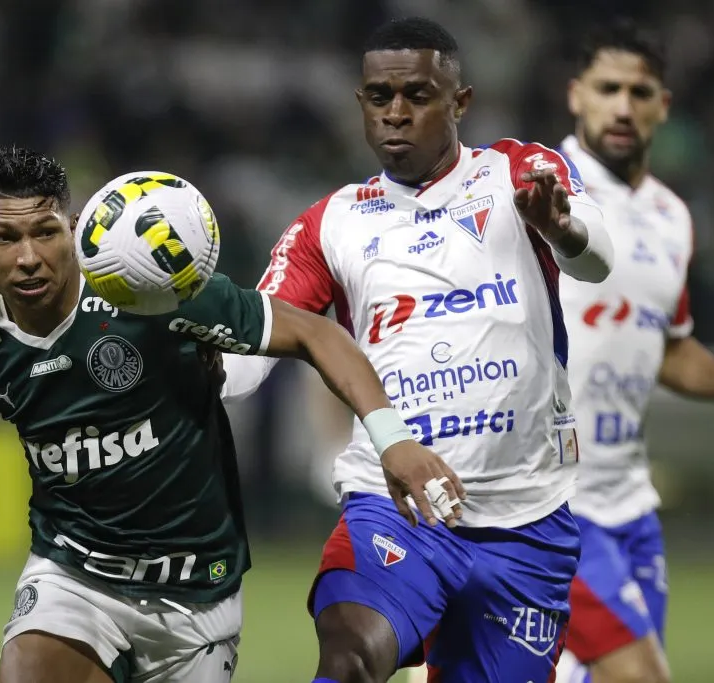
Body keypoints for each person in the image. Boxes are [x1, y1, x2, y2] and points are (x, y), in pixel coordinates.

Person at [0, 146, 465, 683]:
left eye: (45, 233)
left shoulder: (152, 290)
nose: (28, 258)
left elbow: (317, 335)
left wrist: (391, 439)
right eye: (4, 239)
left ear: (73, 229)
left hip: (198, 593)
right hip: (76, 579)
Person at [221, 17, 616, 683]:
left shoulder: (518, 172)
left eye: (418, 95)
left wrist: (561, 228)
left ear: (459, 102)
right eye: (380, 97)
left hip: (526, 517)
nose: (396, 114)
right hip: (395, 504)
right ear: (360, 104)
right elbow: (246, 355)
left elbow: (599, 261)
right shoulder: (331, 222)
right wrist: (191, 345)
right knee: (350, 657)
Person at [547, 19, 714, 683]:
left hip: (629, 502)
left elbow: (670, 350)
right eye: (608, 88)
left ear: (664, 104)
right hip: (550, 501)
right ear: (577, 95)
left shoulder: (671, 216)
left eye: (641, 91)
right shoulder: (539, 192)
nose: (623, 105)